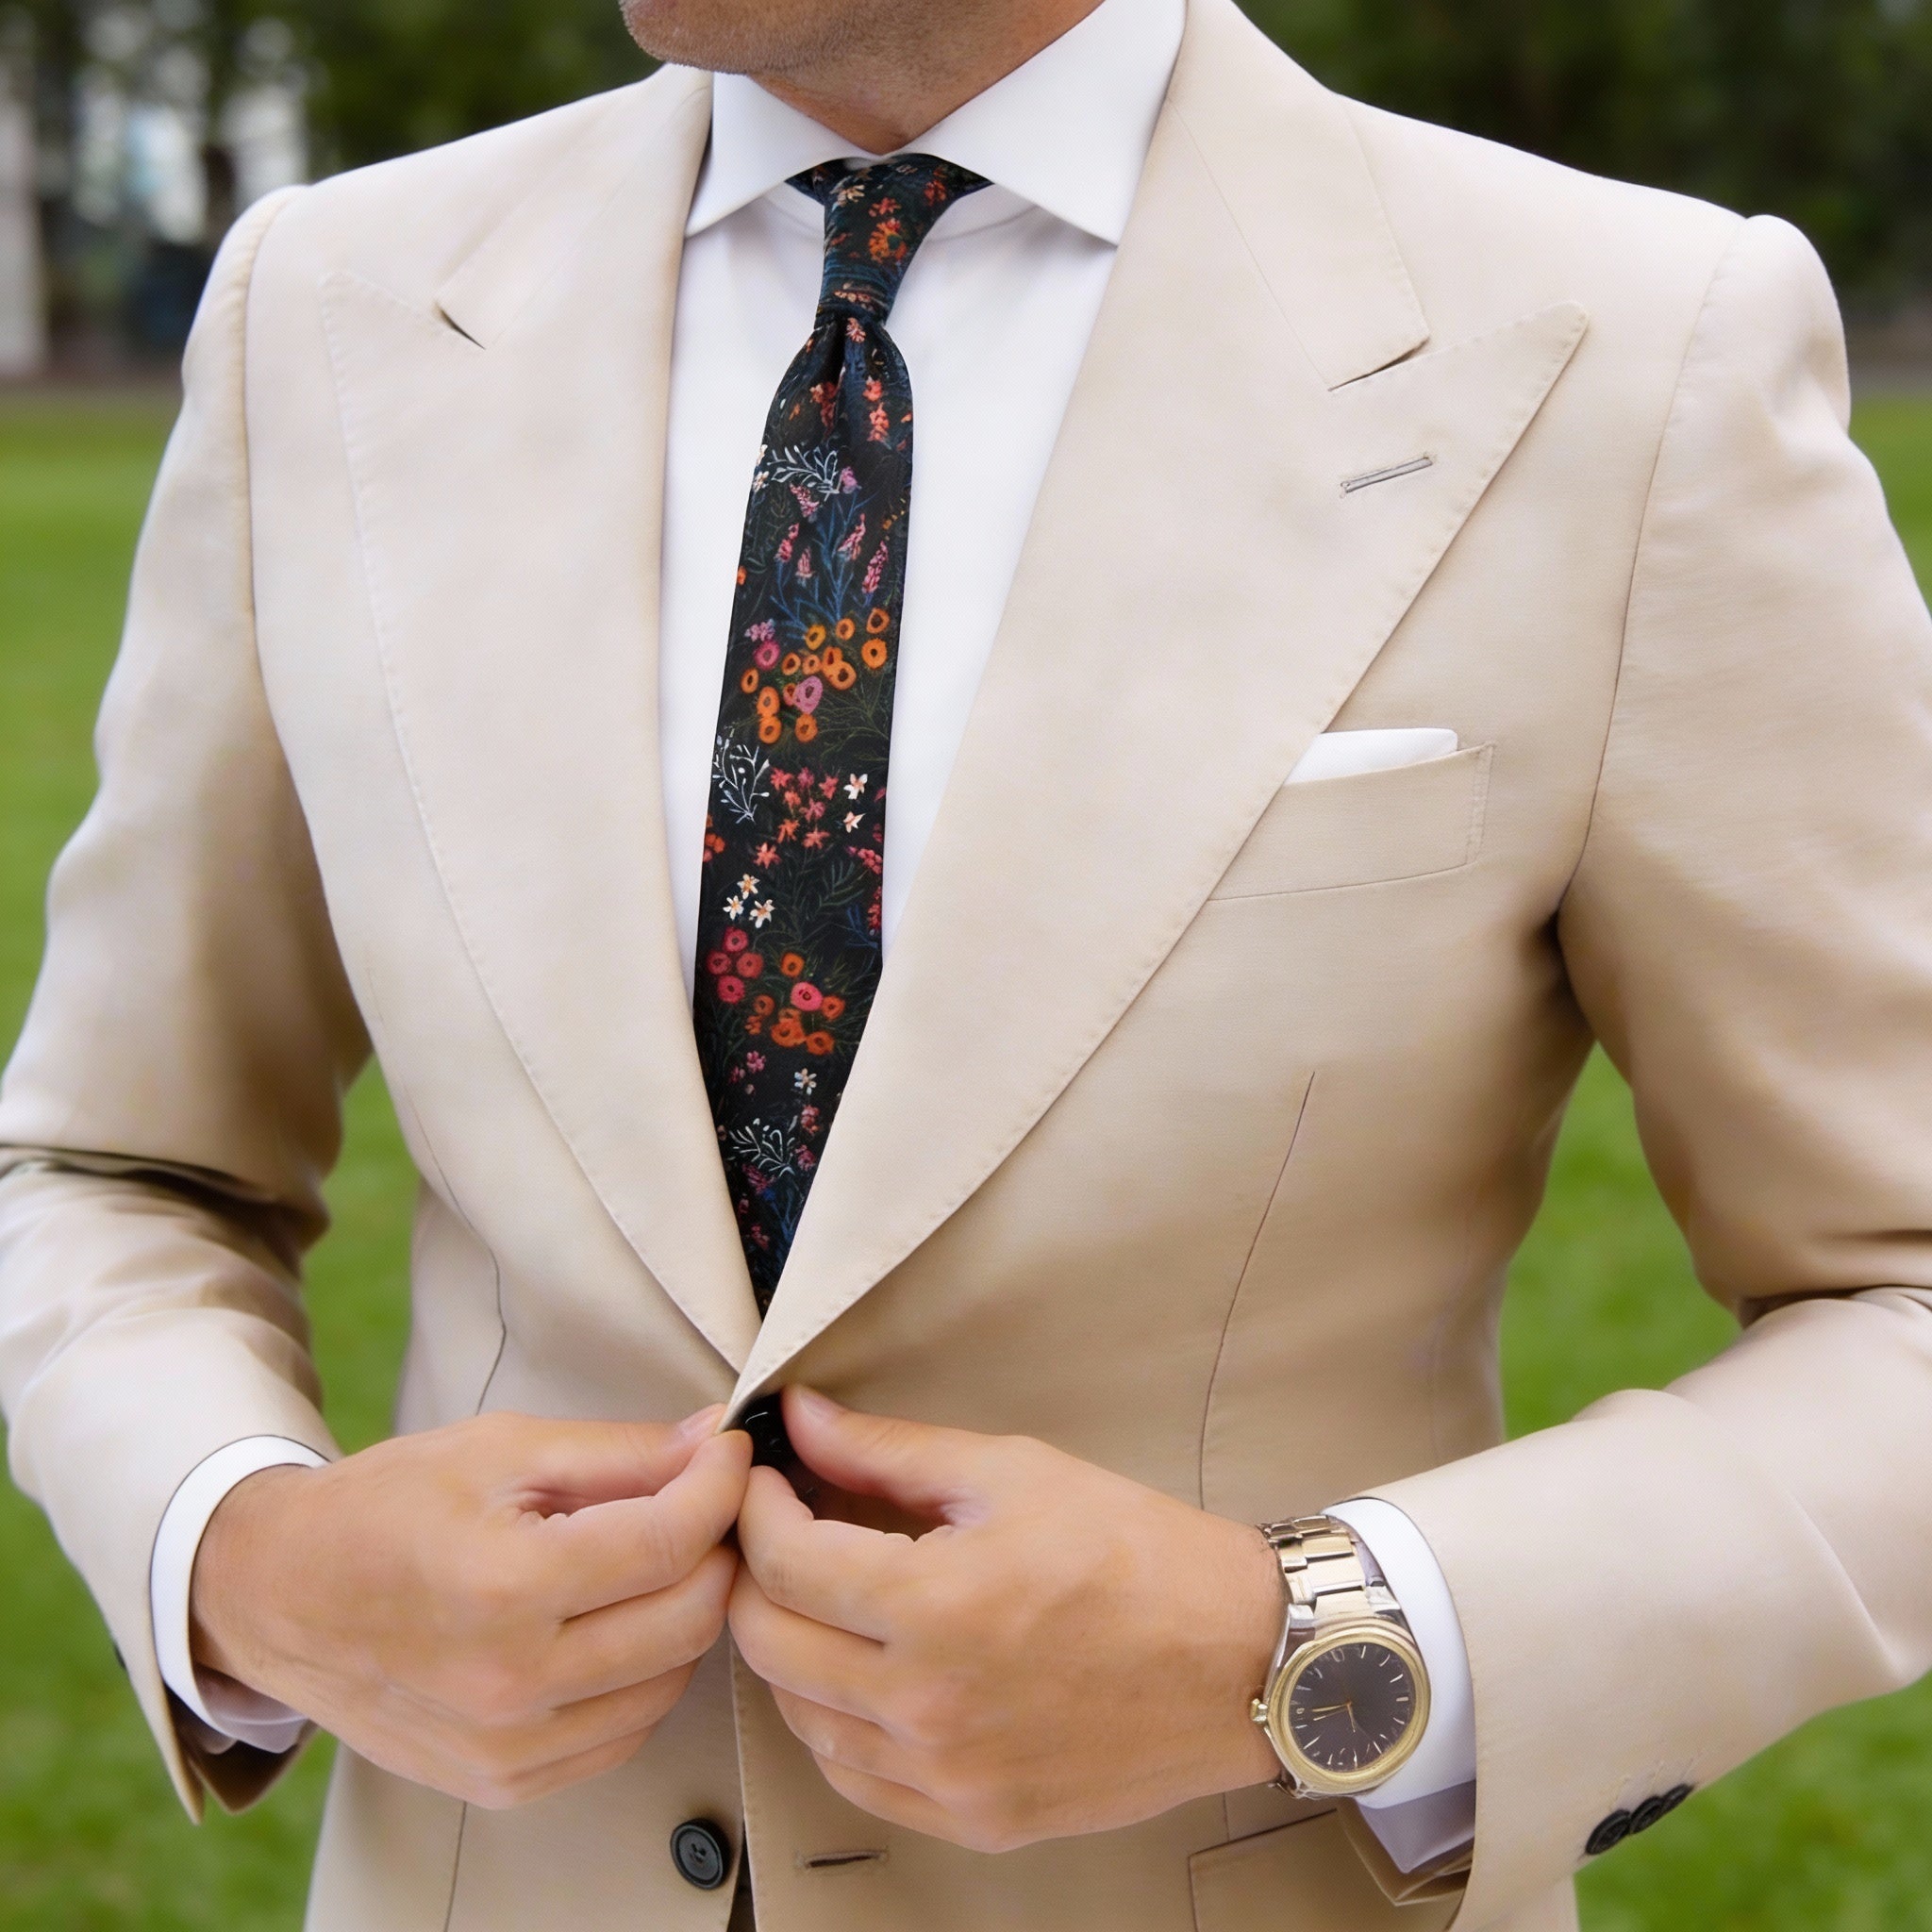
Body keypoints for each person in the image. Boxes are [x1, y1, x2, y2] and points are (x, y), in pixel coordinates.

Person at [2, 0, 1929, 1924]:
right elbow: (104, 1160)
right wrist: (240, 1552)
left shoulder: (1630, 343)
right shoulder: (331, 304)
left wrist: (1312, 1645)